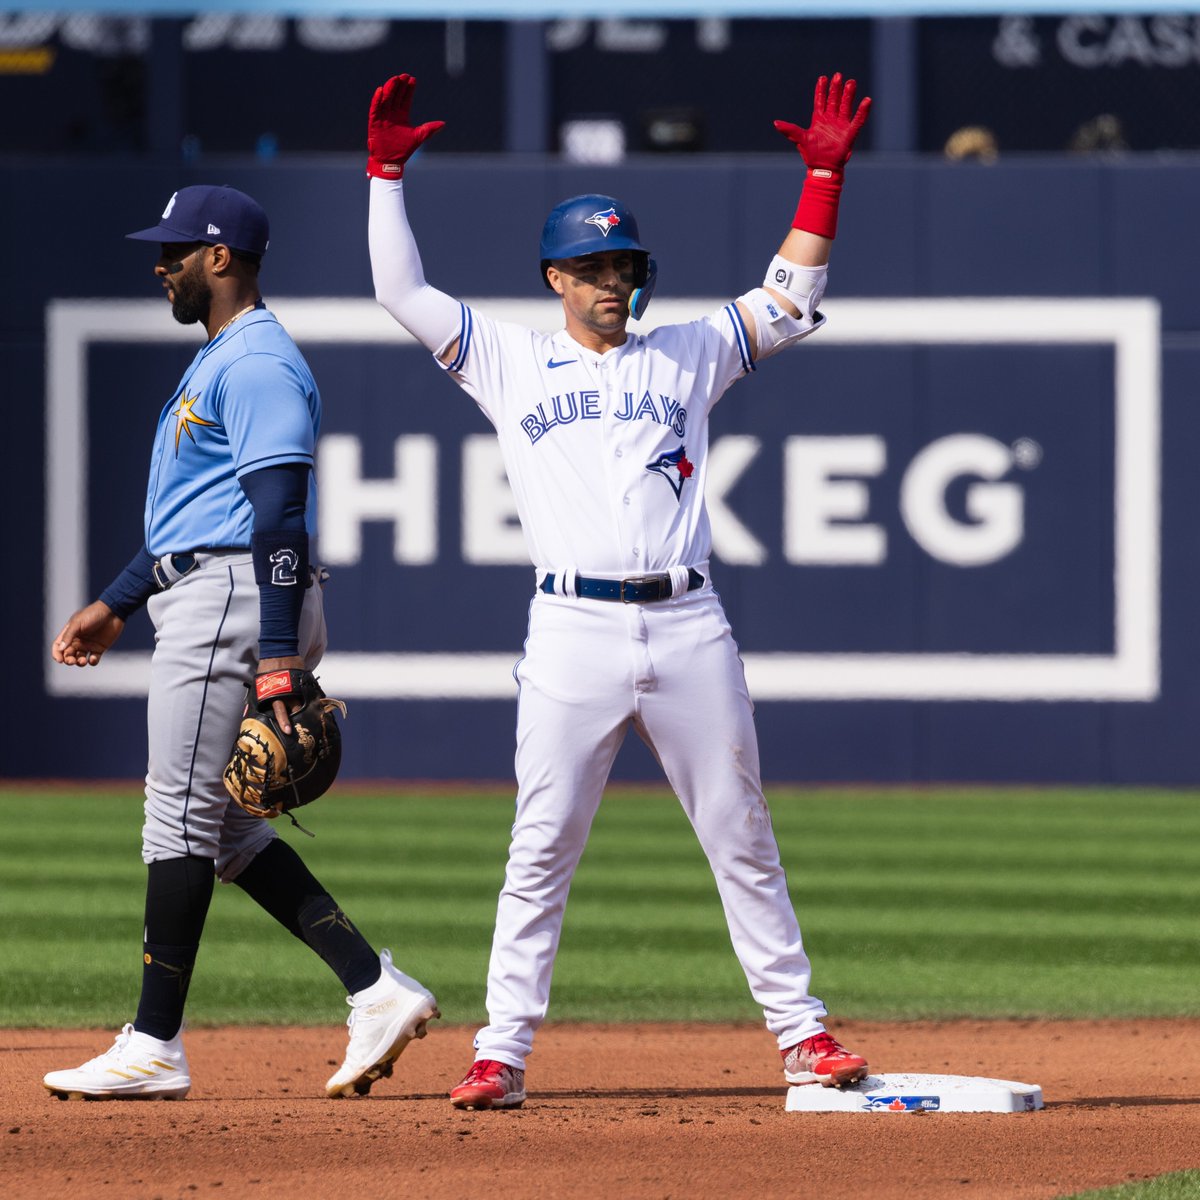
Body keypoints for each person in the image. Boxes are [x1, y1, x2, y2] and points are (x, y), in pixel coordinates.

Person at [365, 71, 872, 1111]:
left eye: (625, 265)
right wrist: (383, 178)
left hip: (687, 622)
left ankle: (803, 1035)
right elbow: (401, 296)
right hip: (571, 629)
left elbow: (789, 299)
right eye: (592, 266)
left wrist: (821, 179)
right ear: (555, 277)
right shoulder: (508, 361)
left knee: (740, 832)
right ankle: (501, 1053)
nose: (611, 281)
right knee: (540, 844)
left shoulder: (687, 352)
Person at [43, 184, 438, 1102]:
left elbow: (278, 518)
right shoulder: (226, 357)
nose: (161, 264)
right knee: (221, 826)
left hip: (233, 597)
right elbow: (197, 513)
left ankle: (153, 1043)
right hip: (207, 588)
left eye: (176, 250)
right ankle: (376, 989)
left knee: (175, 817)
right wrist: (117, 601)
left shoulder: (258, 362)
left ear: (220, 258)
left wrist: (272, 653)